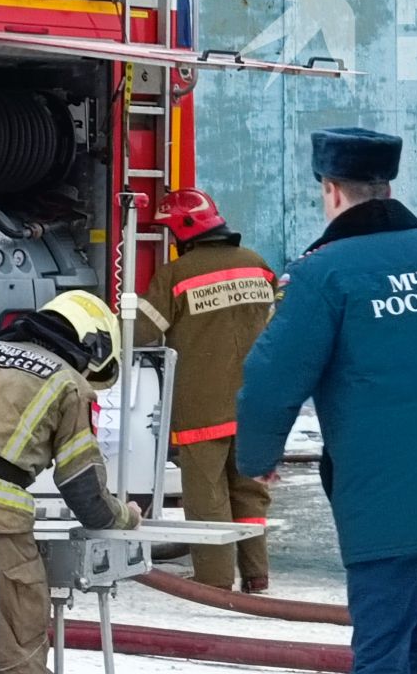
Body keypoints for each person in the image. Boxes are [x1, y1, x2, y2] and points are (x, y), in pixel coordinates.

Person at [237, 127, 417, 674]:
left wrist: (258, 457)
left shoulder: (324, 273)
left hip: (384, 492)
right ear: (387, 189)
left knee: (382, 643)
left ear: (330, 189)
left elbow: (270, 378)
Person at [0, 289, 142, 673]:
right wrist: (126, 517)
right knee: (18, 652)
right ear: (93, 345)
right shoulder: (66, 383)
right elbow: (85, 491)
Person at [136, 186, 277, 593]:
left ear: (183, 231)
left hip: (202, 408)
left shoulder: (176, 275)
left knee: (208, 495)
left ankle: (214, 581)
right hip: (252, 402)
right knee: (249, 491)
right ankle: (257, 574)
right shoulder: (257, 265)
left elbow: (143, 332)